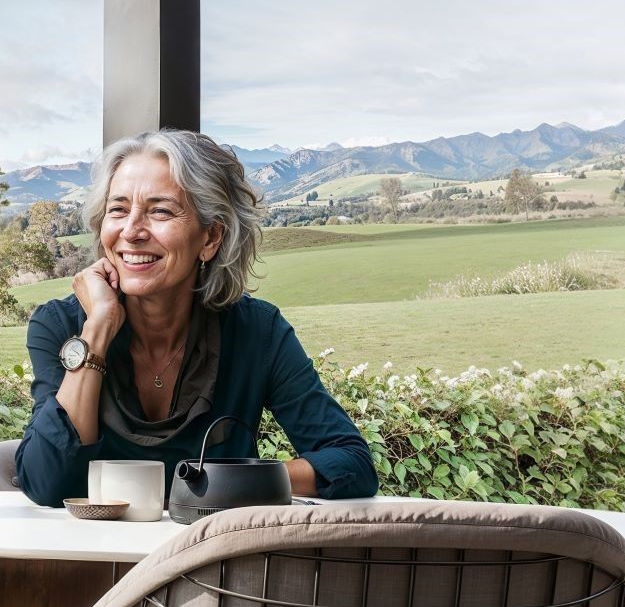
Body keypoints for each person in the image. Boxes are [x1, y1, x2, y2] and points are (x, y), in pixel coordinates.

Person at [20, 129, 376, 505]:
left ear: (210, 238)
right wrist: (98, 328)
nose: (132, 231)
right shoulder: (60, 327)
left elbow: (350, 463)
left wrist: (231, 481)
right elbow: (46, 482)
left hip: (214, 557)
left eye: (160, 211)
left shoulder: (257, 332)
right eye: (118, 209)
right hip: (88, 560)